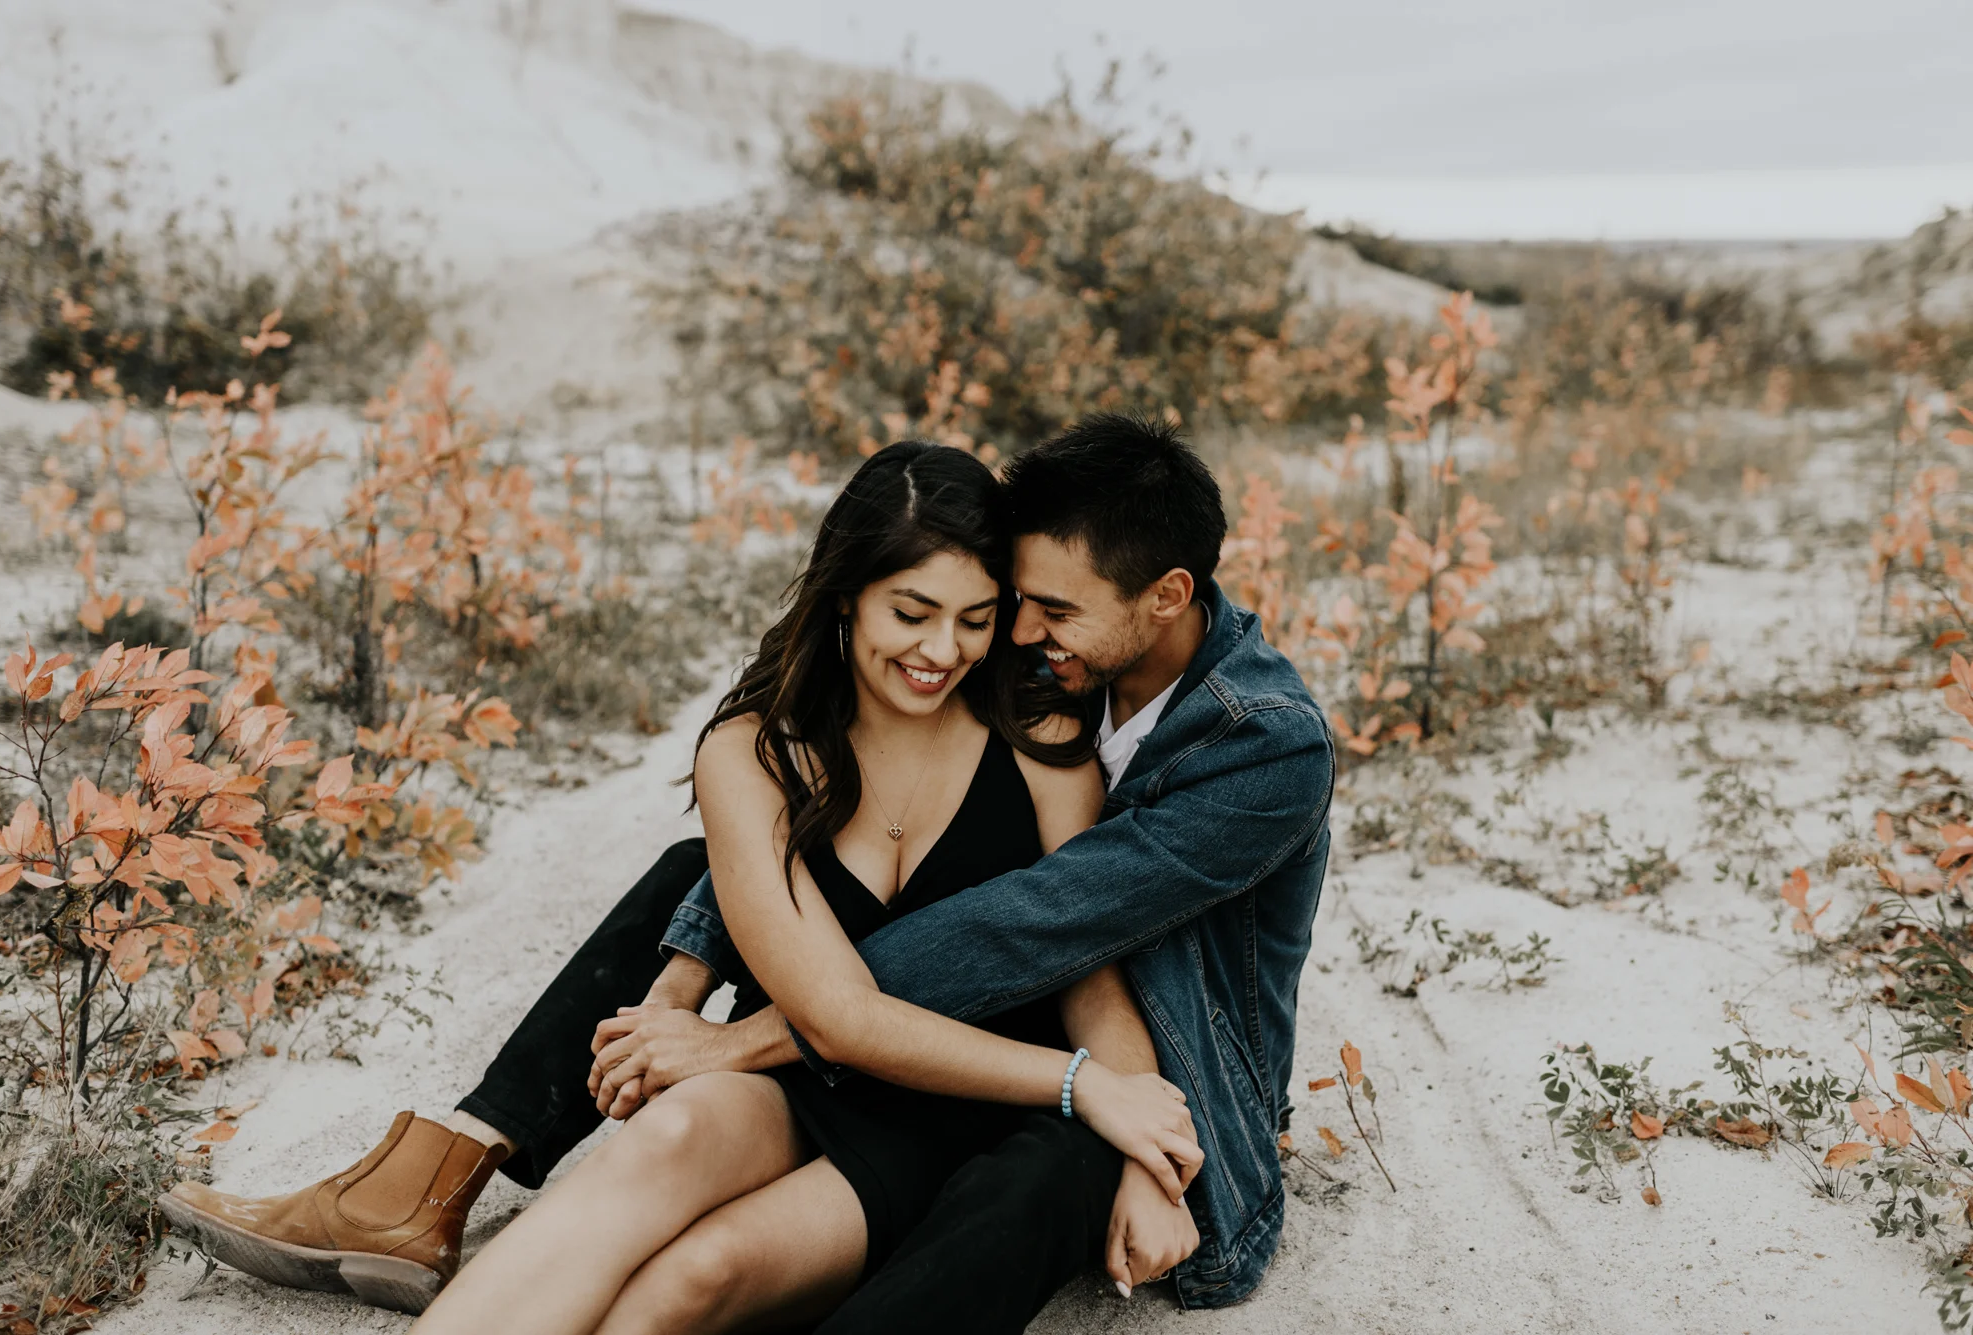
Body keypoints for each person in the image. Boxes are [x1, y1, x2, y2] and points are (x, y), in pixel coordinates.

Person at [162, 413, 1335, 1330]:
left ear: (1163, 597)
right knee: (681, 1048)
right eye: (934, 611)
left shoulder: (1200, 740)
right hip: (857, 1068)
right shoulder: (784, 741)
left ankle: (449, 1175)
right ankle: (433, 1178)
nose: (987, 641)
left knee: (706, 1264)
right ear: (847, 596)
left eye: (1005, 615)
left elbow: (1056, 939)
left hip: (1046, 1082)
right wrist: (684, 990)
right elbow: (775, 892)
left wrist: (1138, 1130)